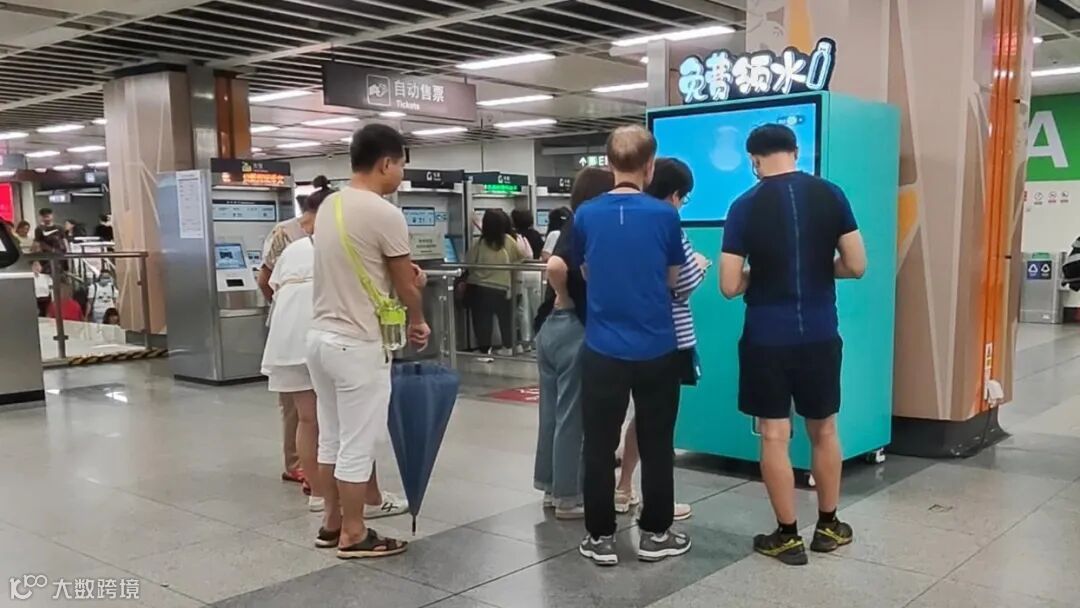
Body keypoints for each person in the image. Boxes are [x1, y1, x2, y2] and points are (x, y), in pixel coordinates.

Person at [720, 124, 867, 566]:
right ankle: (829, 525)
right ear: (796, 151)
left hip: (766, 336)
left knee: (774, 434)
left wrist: (760, 276)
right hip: (820, 332)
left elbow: (729, 285)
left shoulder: (743, 206)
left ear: (753, 160)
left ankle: (786, 537)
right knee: (825, 430)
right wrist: (821, 270)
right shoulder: (831, 194)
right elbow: (856, 265)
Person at [306, 124, 429, 559]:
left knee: (331, 437)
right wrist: (418, 317)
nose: (401, 175)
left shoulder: (329, 205)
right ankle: (355, 533)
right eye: (401, 166)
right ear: (385, 163)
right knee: (358, 443)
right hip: (357, 343)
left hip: (319, 338)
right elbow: (404, 280)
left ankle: (331, 522)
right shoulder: (384, 213)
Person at [575, 125, 690, 566]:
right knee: (658, 442)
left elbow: (586, 270)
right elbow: (673, 279)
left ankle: (600, 537)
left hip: (602, 347)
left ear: (608, 164)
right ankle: (656, 534)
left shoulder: (586, 215)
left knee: (598, 443)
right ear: (650, 166)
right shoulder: (665, 216)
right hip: (657, 346)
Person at [615, 158, 708, 523]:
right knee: (659, 424)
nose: (681, 205)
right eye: (684, 198)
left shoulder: (624, 222)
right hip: (668, 339)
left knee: (639, 416)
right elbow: (681, 285)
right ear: (673, 195)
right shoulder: (669, 227)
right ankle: (659, 506)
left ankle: (623, 488)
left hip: (624, 336)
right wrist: (699, 265)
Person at [533, 167, 613, 521]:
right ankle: (568, 497)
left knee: (551, 413)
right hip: (573, 326)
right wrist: (565, 296)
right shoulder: (586, 224)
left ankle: (551, 487)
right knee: (573, 416)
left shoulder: (571, 222)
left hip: (550, 327)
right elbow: (555, 265)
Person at [260, 177, 327, 488]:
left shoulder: (306, 241)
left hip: (291, 327)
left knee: (307, 412)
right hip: (306, 325)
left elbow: (270, 281)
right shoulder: (285, 233)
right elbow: (265, 280)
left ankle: (315, 476)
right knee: (302, 410)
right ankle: (299, 466)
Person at [466, 209, 524, 355]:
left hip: (481, 288)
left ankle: (484, 350)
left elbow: (469, 263)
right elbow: (519, 258)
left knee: (482, 321)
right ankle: (509, 346)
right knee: (506, 320)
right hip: (504, 287)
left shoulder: (479, 243)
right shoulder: (508, 241)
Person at [511, 209, 543, 348]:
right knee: (537, 307)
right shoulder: (535, 234)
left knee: (523, 309)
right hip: (536, 272)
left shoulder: (514, 236)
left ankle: (526, 340)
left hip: (521, 273)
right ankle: (538, 340)